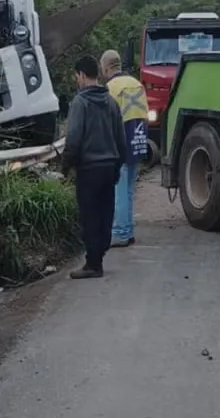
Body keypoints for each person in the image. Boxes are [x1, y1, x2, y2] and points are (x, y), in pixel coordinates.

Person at [60, 55, 127, 279]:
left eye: (76, 76)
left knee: (90, 214)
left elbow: (73, 138)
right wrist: (117, 165)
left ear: (81, 75)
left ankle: (93, 264)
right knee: (105, 212)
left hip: (89, 168)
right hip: (109, 167)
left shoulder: (80, 103)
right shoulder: (111, 102)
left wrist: (65, 167)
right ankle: (100, 251)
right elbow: (121, 138)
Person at [100, 49, 149, 248]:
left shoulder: (110, 88)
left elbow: (107, 121)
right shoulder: (137, 84)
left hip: (119, 146)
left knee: (118, 192)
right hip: (137, 141)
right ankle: (127, 231)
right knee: (127, 191)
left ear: (105, 68)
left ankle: (120, 232)